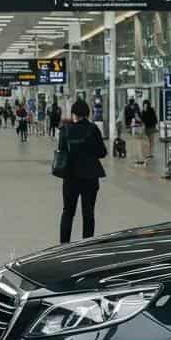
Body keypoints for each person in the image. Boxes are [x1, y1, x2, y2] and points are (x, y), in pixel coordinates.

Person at [57, 99, 107, 243]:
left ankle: (64, 245)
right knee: (88, 213)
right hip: (90, 176)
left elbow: (61, 150)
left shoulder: (65, 129)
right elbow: (102, 152)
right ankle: (87, 245)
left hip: (70, 176)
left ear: (73, 113)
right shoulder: (93, 129)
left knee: (68, 212)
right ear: (87, 113)